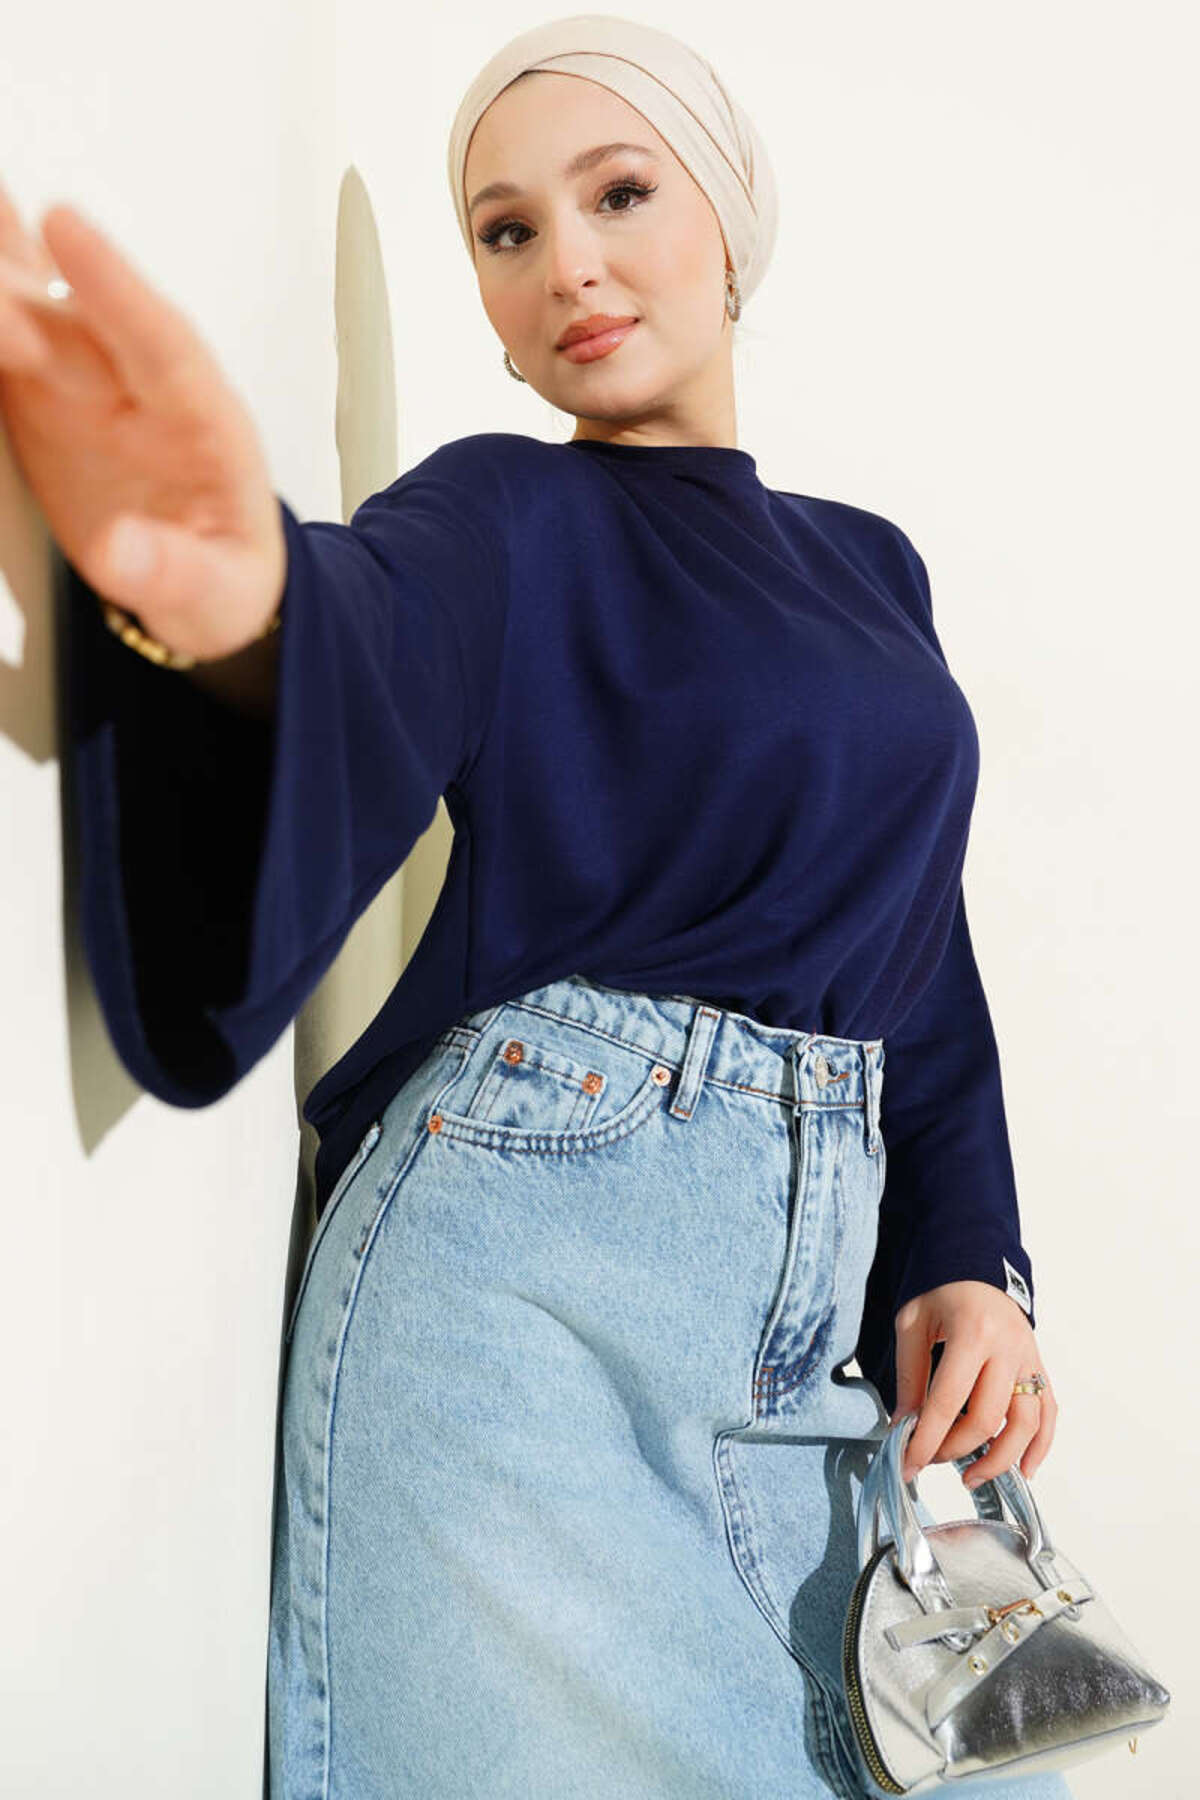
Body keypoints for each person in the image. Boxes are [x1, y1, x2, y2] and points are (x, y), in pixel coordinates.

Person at [0, 14, 1070, 1798]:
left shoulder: (876, 567)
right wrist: (242, 599)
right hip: (525, 1307)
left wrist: (971, 1253)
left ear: (729, 224)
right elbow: (375, 631)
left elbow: (918, 957)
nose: (564, 260)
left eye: (617, 193)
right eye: (506, 230)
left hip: (818, 1356)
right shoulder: (502, 512)